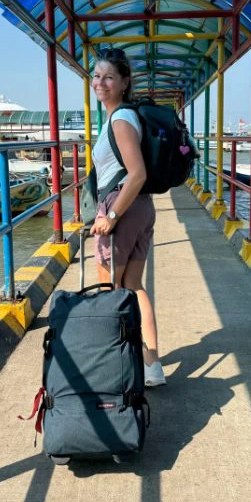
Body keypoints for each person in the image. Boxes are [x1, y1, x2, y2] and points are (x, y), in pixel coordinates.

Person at [90, 48, 166, 387]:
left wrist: (111, 215)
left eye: (109, 77)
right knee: (133, 286)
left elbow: (137, 173)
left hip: (122, 207)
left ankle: (115, 368)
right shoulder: (123, 117)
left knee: (110, 289)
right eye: (96, 76)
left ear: (124, 82)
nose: (100, 83)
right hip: (140, 207)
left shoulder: (120, 119)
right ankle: (151, 366)